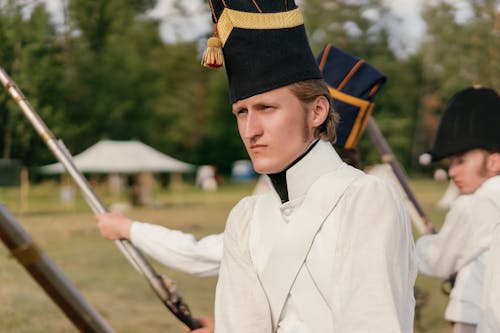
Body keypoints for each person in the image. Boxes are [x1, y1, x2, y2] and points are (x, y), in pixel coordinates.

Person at [99, 2, 416, 331]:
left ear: (318, 111)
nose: (251, 131)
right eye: (241, 112)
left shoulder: (365, 199)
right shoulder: (246, 217)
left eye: (266, 108)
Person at [415, 86, 500, 333]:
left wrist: (426, 241)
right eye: (451, 163)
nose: (452, 171)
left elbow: (438, 261)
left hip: (476, 318)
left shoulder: (473, 204)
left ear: (494, 161)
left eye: (461, 161)